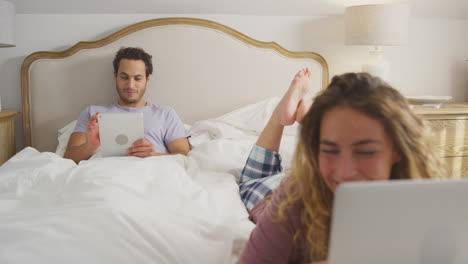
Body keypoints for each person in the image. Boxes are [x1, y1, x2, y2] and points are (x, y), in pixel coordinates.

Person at [237, 70, 445, 264]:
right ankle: (278, 119)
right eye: (329, 150)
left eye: (366, 152)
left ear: (398, 149)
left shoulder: (427, 199)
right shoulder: (292, 199)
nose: (345, 172)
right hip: (267, 194)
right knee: (250, 181)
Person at [64, 47, 190, 163]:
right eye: (124, 77)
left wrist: (153, 155)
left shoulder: (165, 114)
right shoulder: (93, 113)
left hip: (151, 174)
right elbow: (68, 158)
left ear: (147, 80)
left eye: (138, 78)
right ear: (115, 77)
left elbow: (184, 156)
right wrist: (90, 146)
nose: (130, 85)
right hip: (105, 175)